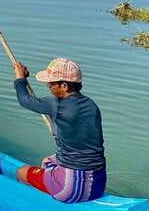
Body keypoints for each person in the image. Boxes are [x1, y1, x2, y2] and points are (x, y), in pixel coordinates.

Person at [12, 57, 106, 203]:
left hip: (73, 188)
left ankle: (33, 203)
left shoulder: (56, 104)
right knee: (47, 161)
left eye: (52, 82)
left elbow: (24, 100)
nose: (48, 85)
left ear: (64, 85)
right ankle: (49, 186)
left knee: (21, 172)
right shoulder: (91, 105)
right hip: (99, 183)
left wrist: (20, 79)